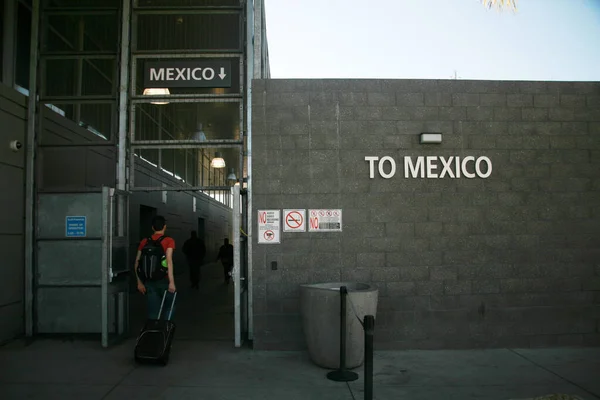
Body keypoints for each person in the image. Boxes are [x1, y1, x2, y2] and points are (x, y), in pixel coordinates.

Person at [135, 215, 177, 320]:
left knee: (153, 312)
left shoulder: (144, 241)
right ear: (165, 227)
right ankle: (165, 330)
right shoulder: (169, 241)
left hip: (149, 281)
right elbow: (169, 261)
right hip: (164, 280)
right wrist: (171, 282)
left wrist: (139, 282)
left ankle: (154, 332)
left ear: (152, 227)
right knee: (170, 306)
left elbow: (137, 262)